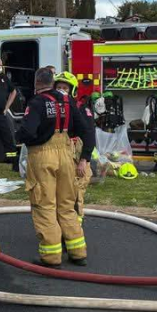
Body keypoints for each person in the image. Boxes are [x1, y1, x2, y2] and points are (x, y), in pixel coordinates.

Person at [17, 68, 94, 267]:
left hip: (42, 156)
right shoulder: (68, 101)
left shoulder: (36, 103)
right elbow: (84, 130)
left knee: (44, 205)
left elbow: (27, 131)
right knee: (67, 205)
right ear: (52, 82)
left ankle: (51, 257)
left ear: (37, 83)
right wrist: (85, 158)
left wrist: (17, 138)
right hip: (66, 155)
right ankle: (78, 253)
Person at [55, 71, 92, 214]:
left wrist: (83, 160)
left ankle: (76, 223)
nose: (62, 91)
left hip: (74, 151)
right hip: (57, 151)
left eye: (65, 88)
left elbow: (89, 136)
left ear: (72, 91)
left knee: (76, 189)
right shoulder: (51, 108)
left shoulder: (81, 109)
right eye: (59, 87)